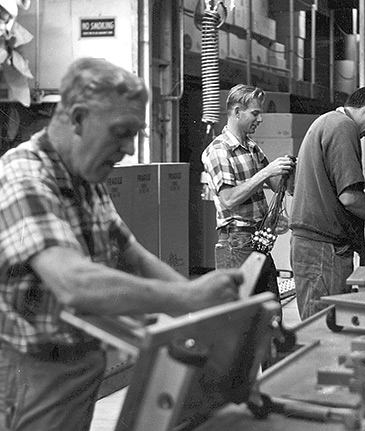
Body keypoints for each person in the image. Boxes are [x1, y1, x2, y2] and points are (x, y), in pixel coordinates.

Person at [0, 58, 244, 431]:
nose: (129, 149)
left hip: (78, 364)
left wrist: (210, 314)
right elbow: (74, 283)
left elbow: (133, 256)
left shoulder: (86, 177)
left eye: (136, 134)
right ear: (78, 118)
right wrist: (187, 299)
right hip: (30, 372)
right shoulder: (24, 176)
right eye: (121, 132)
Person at [290, 85, 365, 320]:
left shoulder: (328, 122)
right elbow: (350, 199)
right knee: (323, 327)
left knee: (322, 323)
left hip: (317, 247)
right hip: (322, 250)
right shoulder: (342, 126)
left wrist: (361, 247)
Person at [202, 84, 296, 304]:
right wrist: (266, 171)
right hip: (236, 244)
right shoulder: (218, 150)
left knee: (271, 310)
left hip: (258, 240)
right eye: (255, 113)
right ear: (237, 112)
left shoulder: (252, 147)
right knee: (241, 316)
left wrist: (287, 170)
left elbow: (276, 185)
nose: (260, 119)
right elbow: (229, 199)